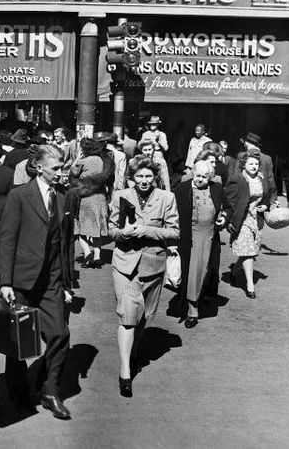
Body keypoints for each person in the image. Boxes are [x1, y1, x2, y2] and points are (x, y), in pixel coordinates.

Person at [0, 144, 78, 420]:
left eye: (62, 168)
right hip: (21, 280)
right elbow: (8, 239)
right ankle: (18, 393)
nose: (61, 173)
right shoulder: (19, 196)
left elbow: (65, 242)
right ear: (40, 167)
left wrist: (67, 282)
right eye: (56, 168)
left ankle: (49, 390)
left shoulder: (64, 197)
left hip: (52, 280)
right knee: (19, 342)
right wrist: (5, 281)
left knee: (59, 334)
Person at [108, 155, 180, 397]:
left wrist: (147, 230)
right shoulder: (121, 197)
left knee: (144, 317)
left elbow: (175, 233)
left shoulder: (167, 198)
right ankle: (125, 371)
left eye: (148, 176)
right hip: (125, 263)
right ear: (131, 177)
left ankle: (134, 350)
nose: (144, 180)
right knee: (128, 315)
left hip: (153, 264)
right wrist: (125, 232)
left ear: (155, 177)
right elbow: (110, 230)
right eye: (139, 176)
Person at [174, 160, 227, 328]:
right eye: (197, 175)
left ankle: (200, 297)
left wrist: (224, 217)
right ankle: (192, 311)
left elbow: (227, 208)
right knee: (192, 273)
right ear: (192, 173)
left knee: (206, 271)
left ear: (210, 177)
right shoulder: (182, 190)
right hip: (190, 237)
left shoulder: (217, 188)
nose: (200, 179)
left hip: (210, 236)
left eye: (205, 176)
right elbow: (172, 212)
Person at [225, 150, 273, 299]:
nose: (254, 166)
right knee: (249, 252)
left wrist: (265, 206)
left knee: (250, 251)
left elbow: (267, 194)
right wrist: (229, 219)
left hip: (255, 219)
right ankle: (250, 285)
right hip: (242, 219)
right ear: (244, 164)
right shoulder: (238, 179)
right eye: (250, 163)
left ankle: (234, 271)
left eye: (256, 164)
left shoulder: (261, 178)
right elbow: (229, 200)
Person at [69, 137, 109, 269]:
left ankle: (87, 253)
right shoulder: (101, 160)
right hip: (100, 196)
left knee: (81, 228)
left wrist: (75, 160)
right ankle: (97, 256)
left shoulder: (82, 161)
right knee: (97, 227)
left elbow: (73, 174)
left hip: (86, 196)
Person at [238, 132, 278, 203]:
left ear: (247, 143)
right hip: (262, 195)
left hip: (244, 195)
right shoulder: (267, 158)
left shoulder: (242, 156)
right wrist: (273, 198)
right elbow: (270, 180)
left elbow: (236, 174)